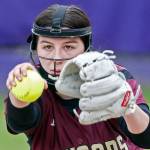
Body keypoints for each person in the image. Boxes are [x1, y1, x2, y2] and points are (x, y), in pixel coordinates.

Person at [4, 4, 150, 150]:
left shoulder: (114, 78)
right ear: (36, 47)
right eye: (47, 47)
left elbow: (146, 139)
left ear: (86, 47)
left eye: (68, 47)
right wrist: (19, 94)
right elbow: (18, 124)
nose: (57, 57)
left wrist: (128, 109)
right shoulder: (33, 83)